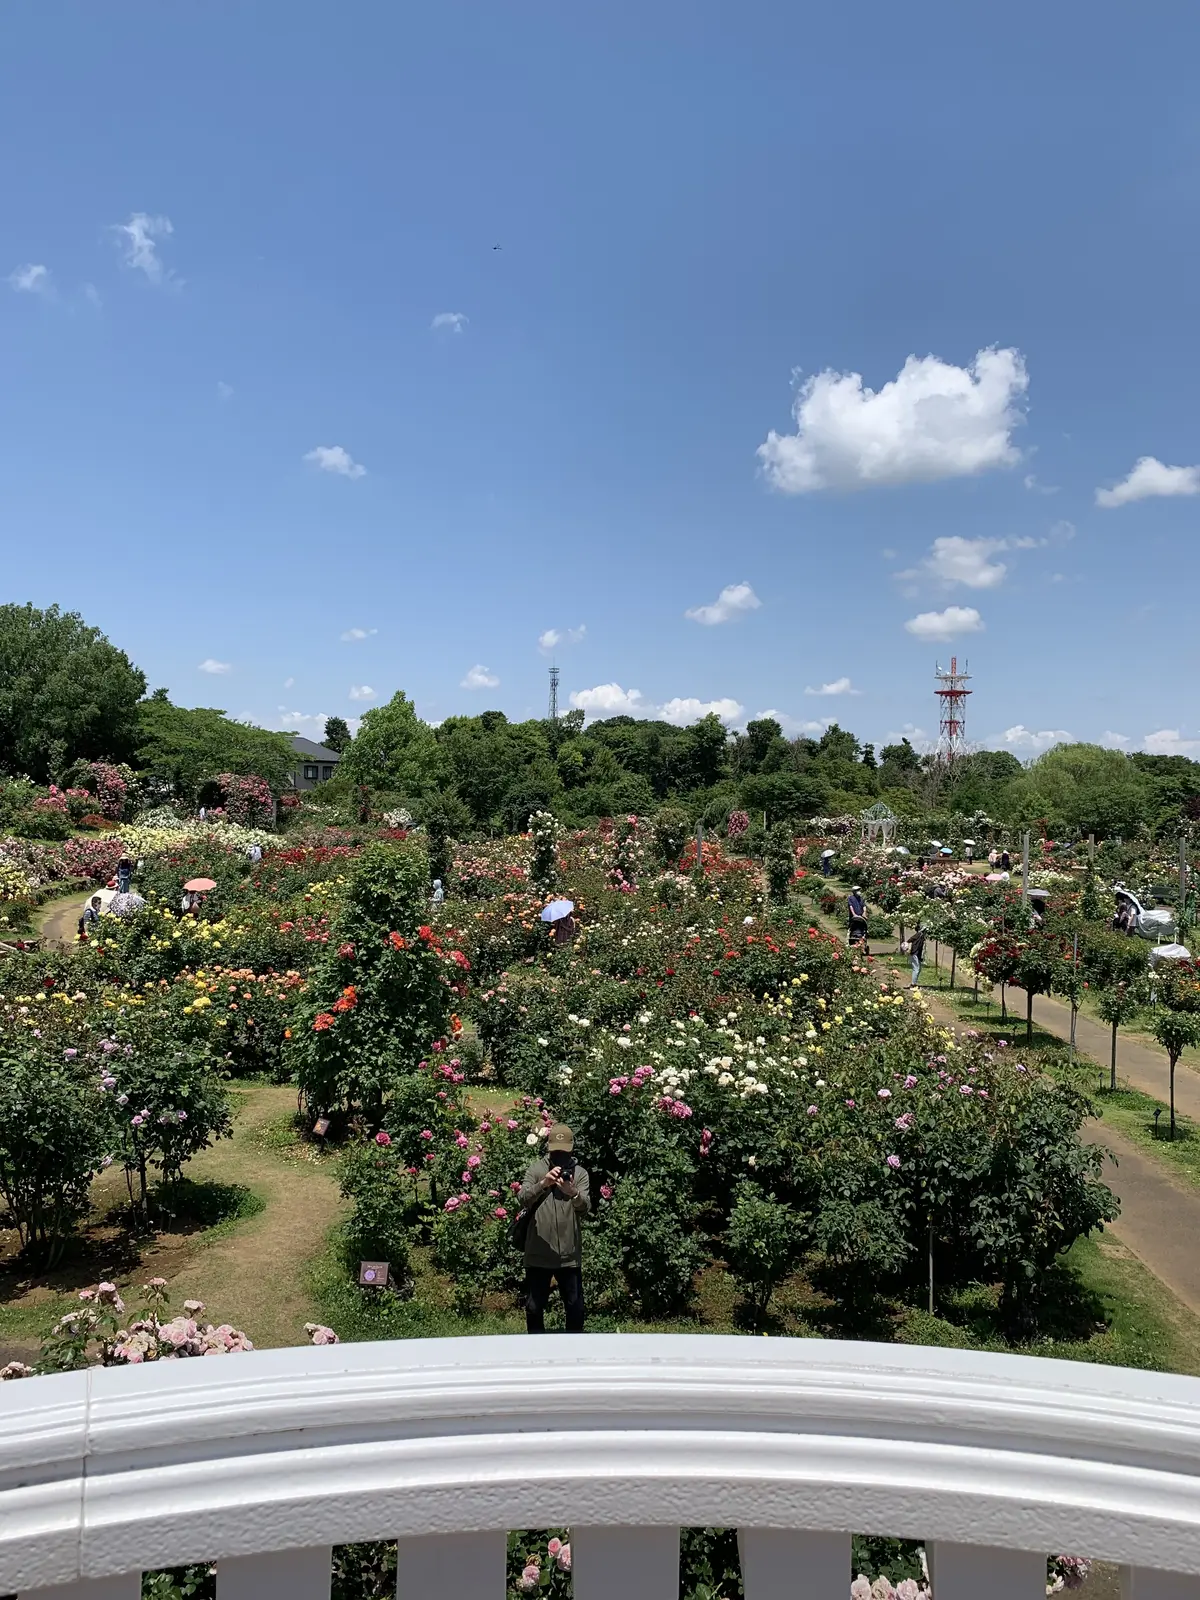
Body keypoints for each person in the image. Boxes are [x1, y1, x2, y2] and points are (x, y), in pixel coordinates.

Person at [518, 1123, 591, 1333]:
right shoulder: (536, 1169)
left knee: (575, 1308)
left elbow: (585, 1208)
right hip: (538, 1254)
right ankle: (536, 1351)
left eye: (564, 1151)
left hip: (569, 1256)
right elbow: (522, 1198)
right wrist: (543, 1184)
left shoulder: (580, 1174)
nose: (560, 1156)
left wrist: (573, 1193)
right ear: (549, 1148)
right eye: (556, 1151)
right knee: (533, 1307)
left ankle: (574, 1352)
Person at [908, 923, 927, 988]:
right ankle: (913, 984)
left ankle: (914, 983)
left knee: (918, 969)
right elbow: (910, 940)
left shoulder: (921, 935)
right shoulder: (919, 934)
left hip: (917, 954)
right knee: (916, 969)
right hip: (914, 953)